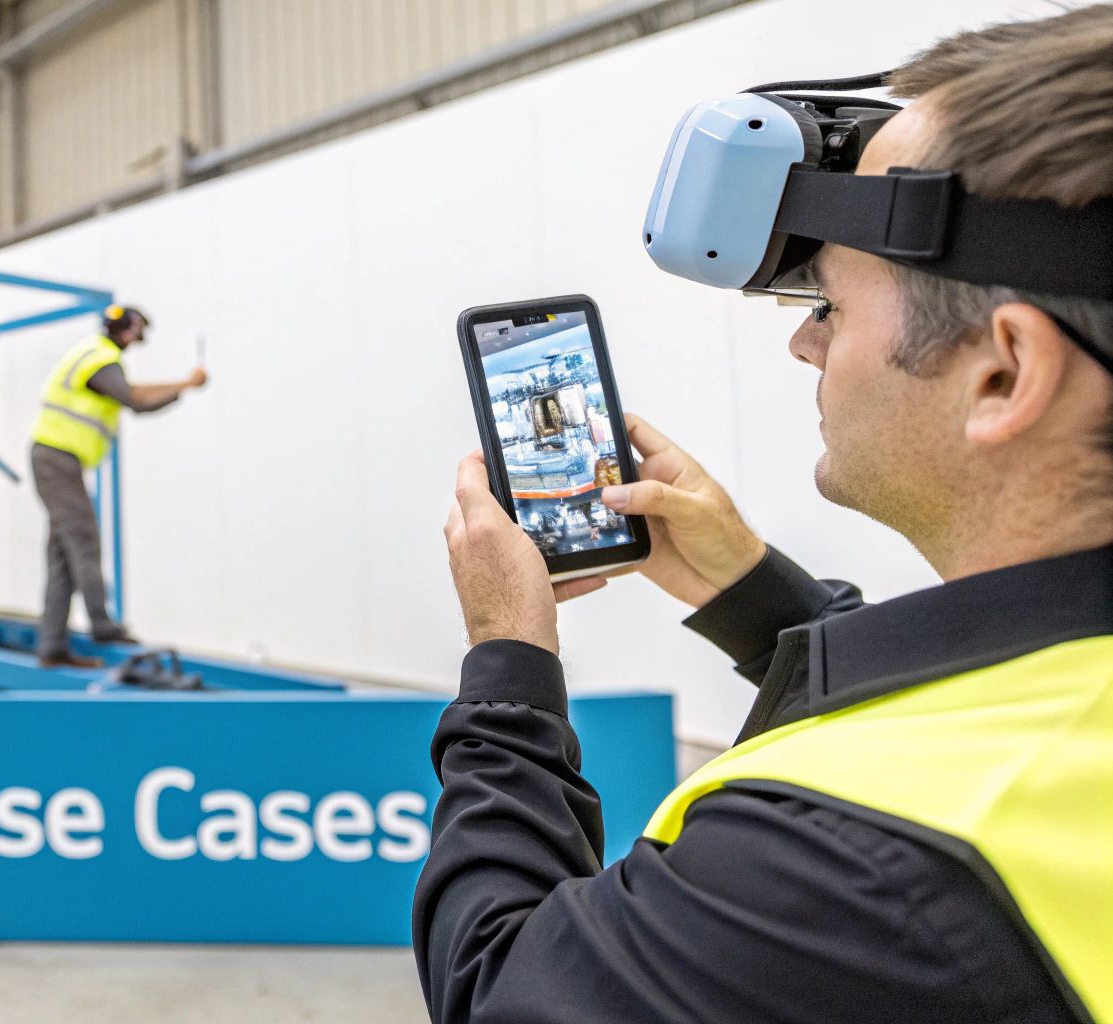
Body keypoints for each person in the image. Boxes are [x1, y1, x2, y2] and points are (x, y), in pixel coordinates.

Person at [419, 9, 1113, 1023]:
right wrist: (750, 593)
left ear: (1003, 373)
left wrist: (507, 663)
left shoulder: (831, 863)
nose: (804, 346)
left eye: (829, 305)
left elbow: (496, 989)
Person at [31, 305, 206, 667]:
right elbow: (136, 400)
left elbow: (133, 391)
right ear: (130, 331)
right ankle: (102, 624)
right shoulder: (102, 358)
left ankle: (52, 646)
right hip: (57, 460)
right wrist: (186, 385)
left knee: (63, 553)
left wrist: (183, 385)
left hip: (56, 460)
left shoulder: (97, 356)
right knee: (83, 537)